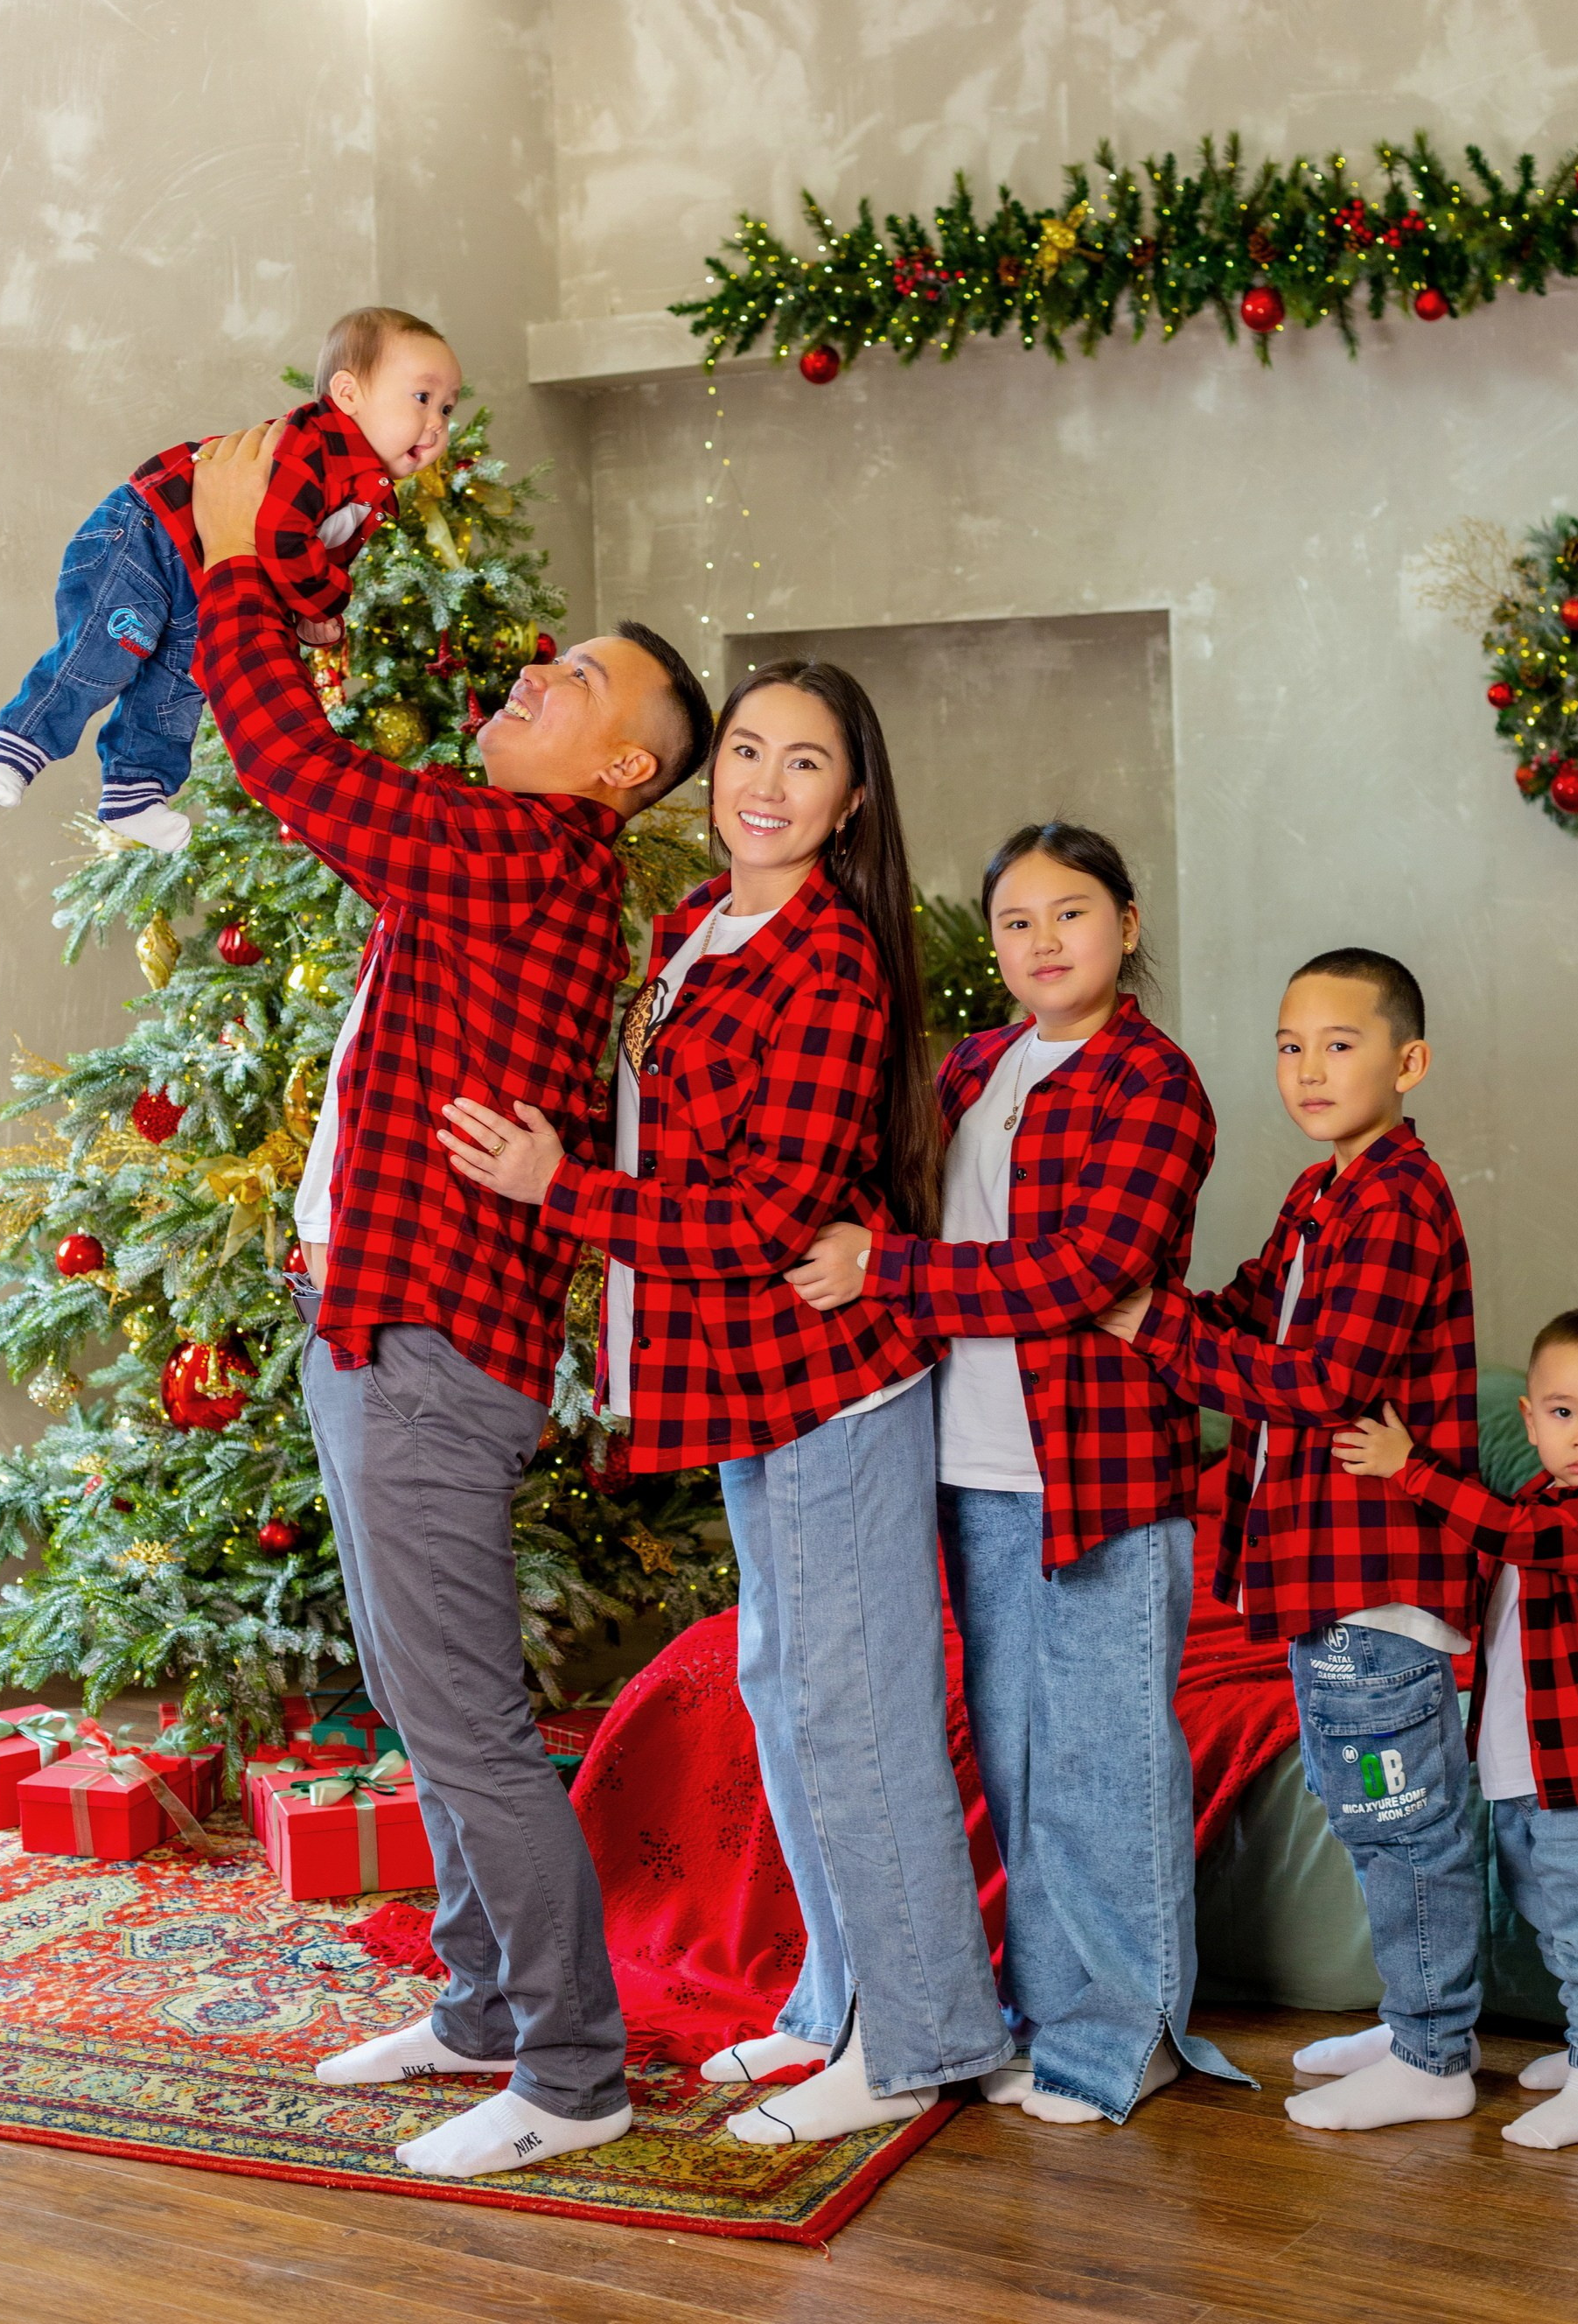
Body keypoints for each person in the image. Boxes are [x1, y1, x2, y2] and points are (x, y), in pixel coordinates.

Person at [189, 420, 710, 2179]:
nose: (527, 677)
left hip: (425, 1356)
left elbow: (296, 771)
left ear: (622, 770)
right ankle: (487, 2003)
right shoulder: (510, 853)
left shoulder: (533, 854)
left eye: (569, 678)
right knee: (440, 1713)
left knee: (473, 1730)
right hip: (378, 1328)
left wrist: (237, 564)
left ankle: (571, 2075)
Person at [438, 659, 1012, 2145]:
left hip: (830, 1393)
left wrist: (561, 1192)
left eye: (805, 763)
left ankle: (924, 2037)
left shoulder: (829, 962)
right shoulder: (695, 924)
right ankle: (838, 2005)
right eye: (746, 750)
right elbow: (660, 1120)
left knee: (857, 1715)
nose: (763, 783)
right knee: (783, 1693)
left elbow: (764, 1213)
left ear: (853, 799)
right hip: (735, 1392)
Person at [790, 822, 1254, 2127]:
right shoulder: (974, 1068)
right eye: (1017, 922)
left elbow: (1088, 1270)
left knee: (1107, 1765)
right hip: (967, 1465)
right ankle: (1052, 2022)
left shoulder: (1154, 1082)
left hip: (1099, 1473)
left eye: (1072, 914)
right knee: (1015, 1759)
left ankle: (1134, 2035)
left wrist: (890, 1271)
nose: (1044, 943)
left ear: (1127, 923)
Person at [1101, 948, 1485, 2134]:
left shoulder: (1400, 1204)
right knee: (1359, 1798)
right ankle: (1411, 2011)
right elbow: (1250, 1308)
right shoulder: (1323, 1194)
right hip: (1319, 1574)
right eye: (1288, 1045)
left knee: (1401, 1810)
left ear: (1407, 1062)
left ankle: (1437, 2054)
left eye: (1340, 1044)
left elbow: (1321, 1381)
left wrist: (1157, 1331)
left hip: (1377, 1577)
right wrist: (1149, 1290)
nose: (1309, 1069)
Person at [1335, 1306, 1578, 2151]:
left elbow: (1512, 1535)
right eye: (1563, 1413)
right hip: (1526, 1766)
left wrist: (1412, 1470)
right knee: (1548, 1910)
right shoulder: (1535, 1492)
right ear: (1530, 1419)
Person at [0, 307, 457, 851]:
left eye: (447, 407)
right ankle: (22, 741)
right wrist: (324, 604)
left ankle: (134, 793)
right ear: (348, 395)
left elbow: (305, 561)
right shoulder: (317, 445)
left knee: (183, 683)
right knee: (109, 647)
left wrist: (310, 612)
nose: (438, 422)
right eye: (421, 398)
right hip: (149, 533)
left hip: (202, 570)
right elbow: (280, 535)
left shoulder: (367, 493)